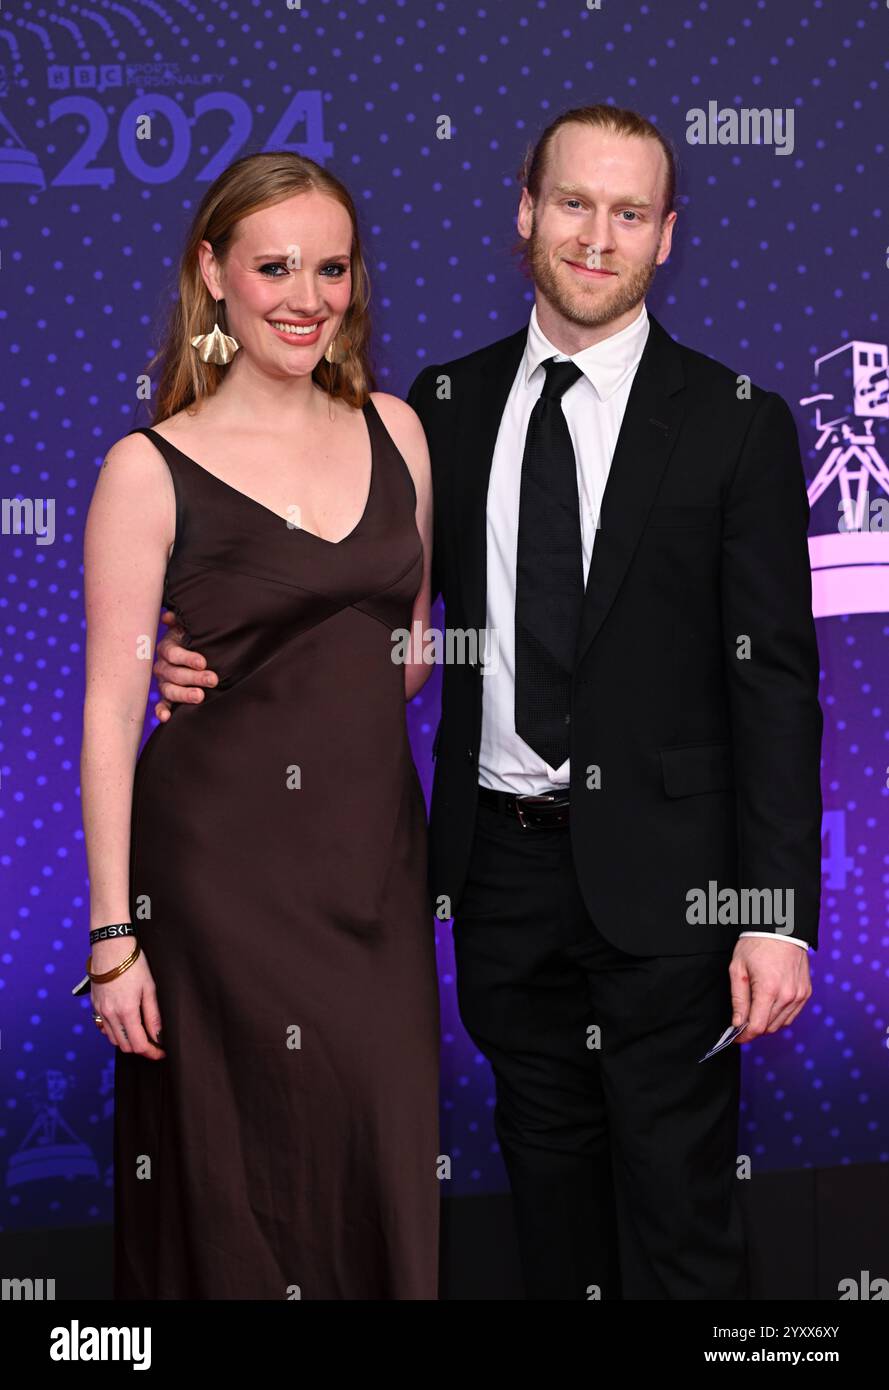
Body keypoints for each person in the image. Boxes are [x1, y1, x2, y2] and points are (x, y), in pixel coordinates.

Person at [153, 107, 823, 1300]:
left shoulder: (737, 422)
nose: (596, 237)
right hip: (501, 878)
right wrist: (207, 648)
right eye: (573, 203)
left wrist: (775, 913)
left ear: (666, 237)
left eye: (629, 214)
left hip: (675, 890)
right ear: (525, 213)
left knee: (682, 1222)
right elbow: (364, 611)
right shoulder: (438, 410)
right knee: (548, 1205)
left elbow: (773, 681)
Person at [79, 151, 440, 1299]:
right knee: (233, 1191)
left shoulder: (398, 430)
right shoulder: (149, 468)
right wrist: (110, 936)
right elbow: (105, 706)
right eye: (274, 265)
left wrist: (299, 679)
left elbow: (409, 647)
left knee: (375, 1164)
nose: (306, 295)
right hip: (215, 886)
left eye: (330, 267)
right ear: (213, 274)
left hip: (370, 875)